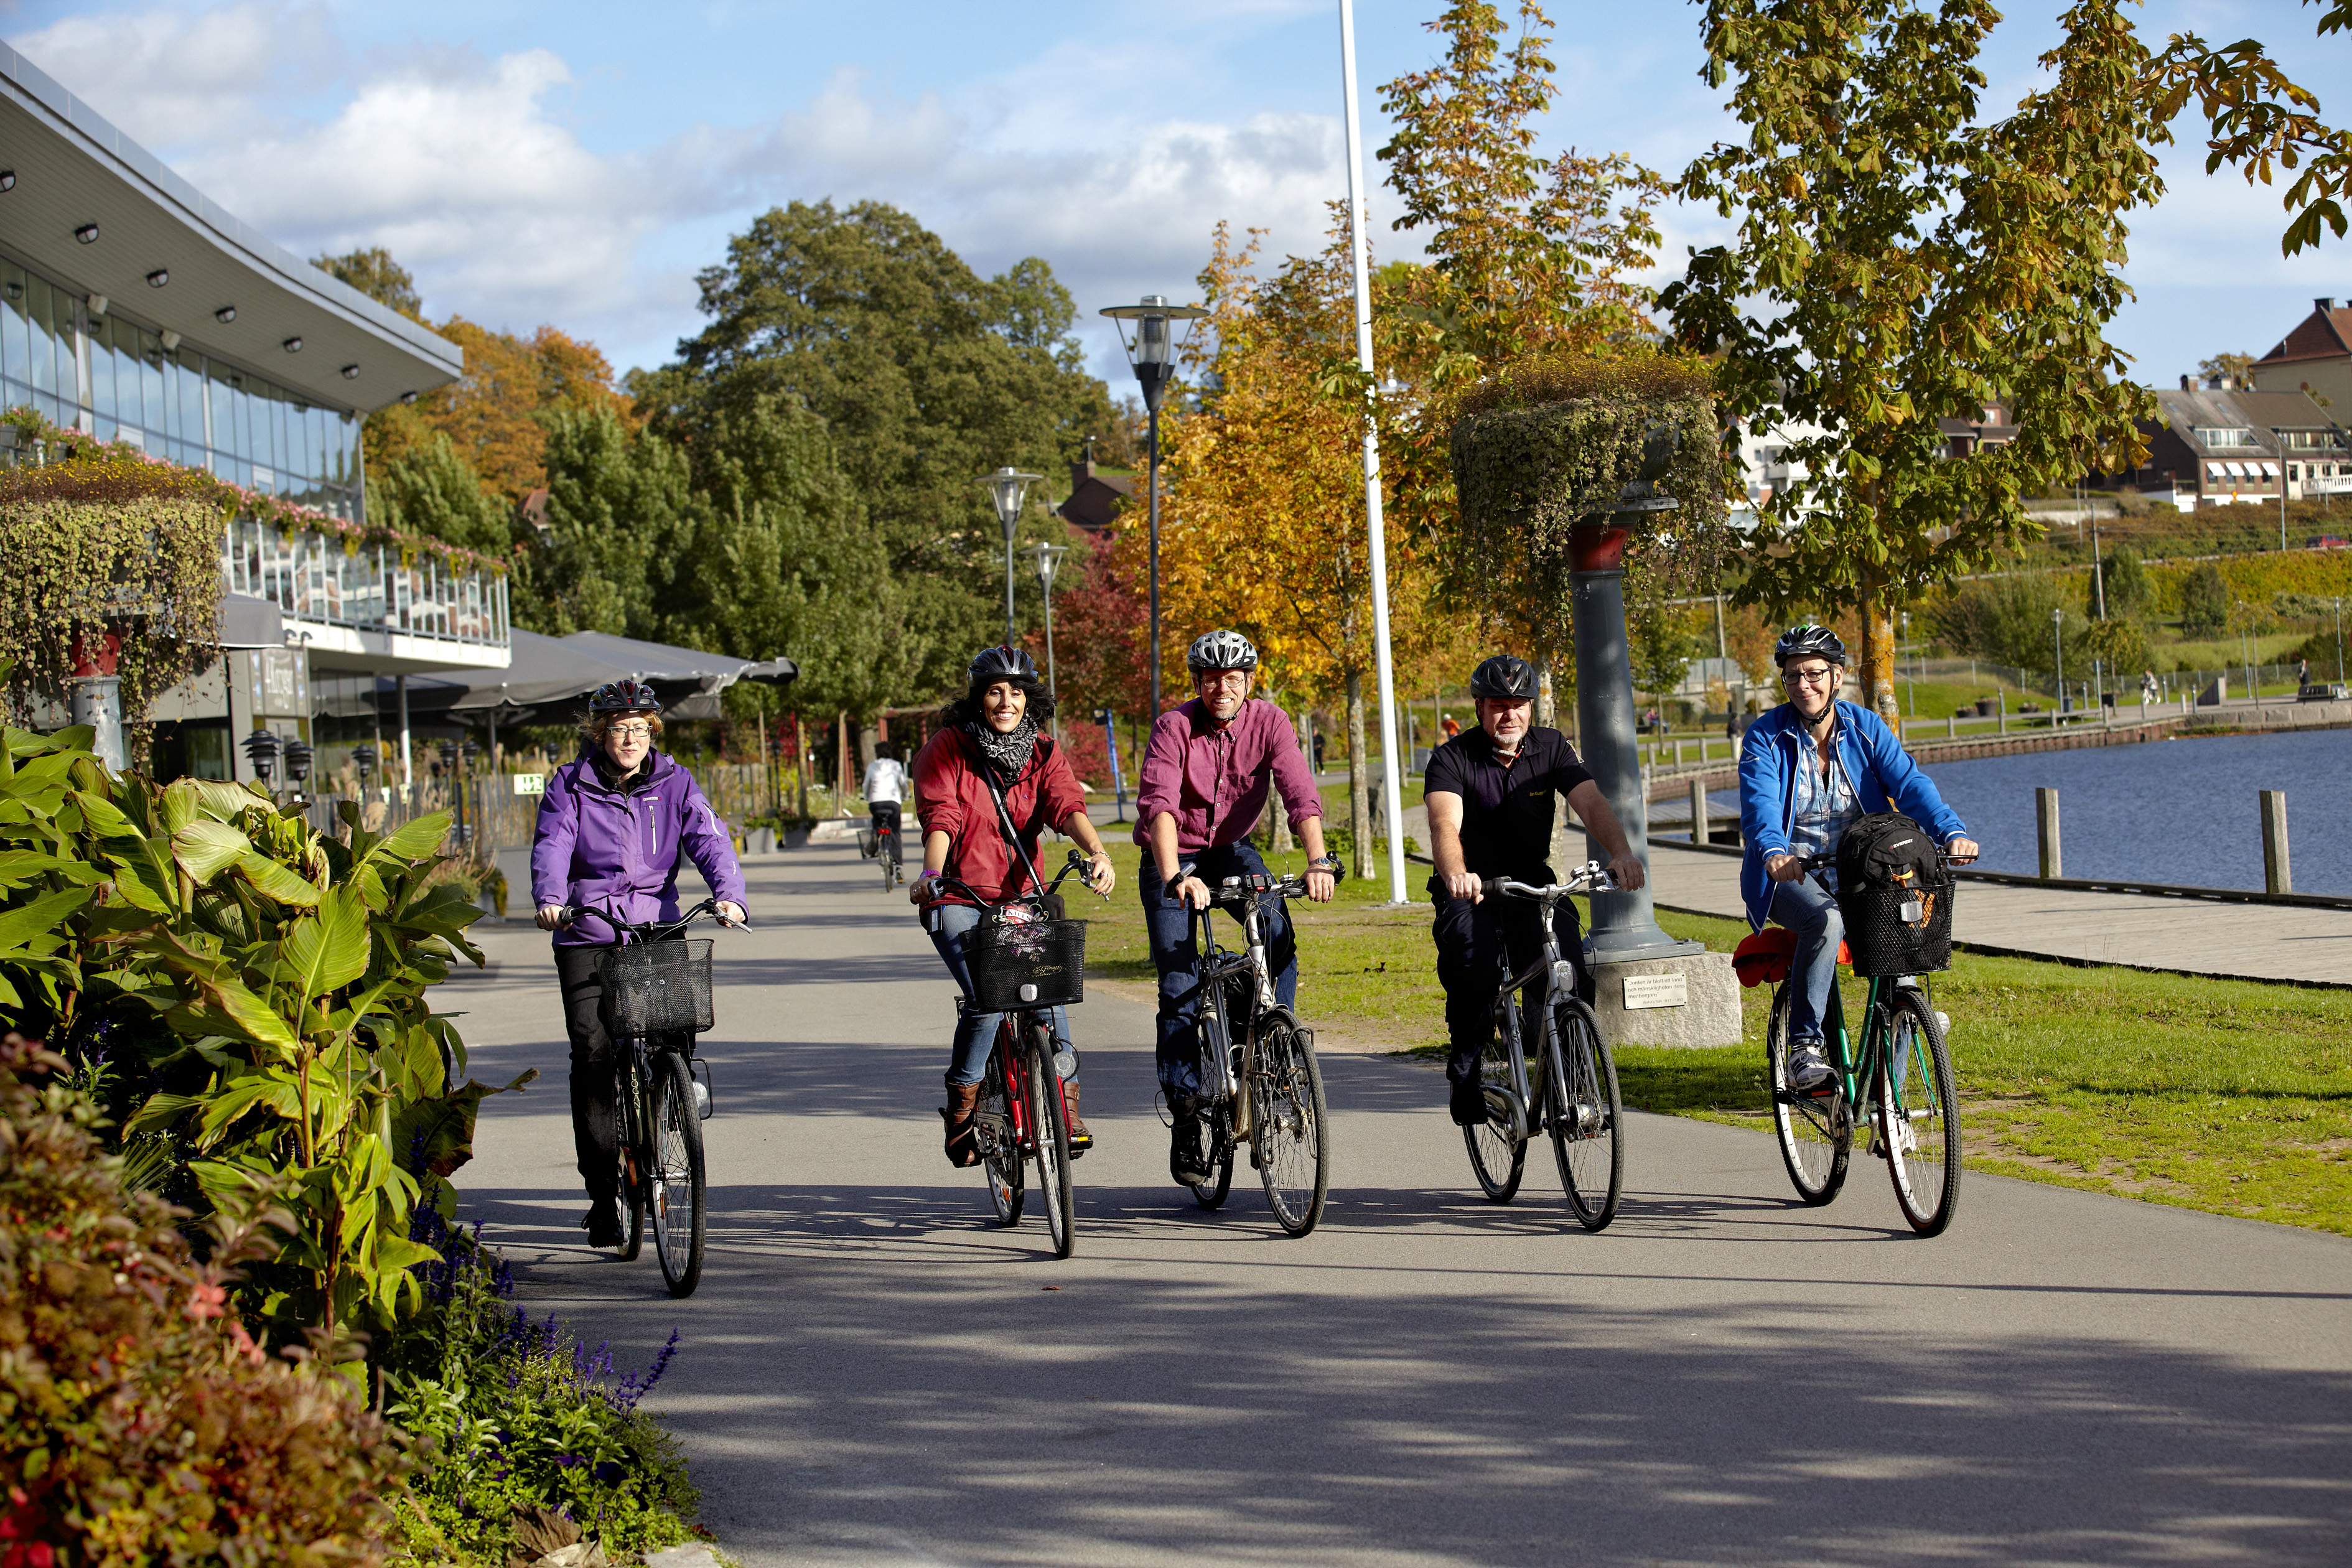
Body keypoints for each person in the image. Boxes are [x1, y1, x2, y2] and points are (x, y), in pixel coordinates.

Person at [532, 681, 747, 1249]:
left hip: (657, 924)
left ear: (653, 731)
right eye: (618, 729)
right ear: (599, 734)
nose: (630, 739)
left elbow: (710, 839)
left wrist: (729, 896)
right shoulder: (569, 784)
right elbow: (553, 843)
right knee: (593, 1055)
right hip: (587, 930)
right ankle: (604, 1195)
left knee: (676, 1029)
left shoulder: (676, 782)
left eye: (640, 728)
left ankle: (670, 1093)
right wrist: (551, 899)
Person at [1737, 626, 1979, 1090]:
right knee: (1825, 920)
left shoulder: (1865, 728)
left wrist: (1950, 831)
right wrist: (1774, 853)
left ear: (1837, 676)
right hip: (1791, 873)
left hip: (1862, 870)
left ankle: (1892, 1090)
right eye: (1793, 676)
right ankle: (1804, 1048)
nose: (1803, 685)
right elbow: (1759, 806)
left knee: (1902, 944)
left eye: (1813, 674)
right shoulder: (1765, 737)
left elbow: (1910, 785)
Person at [1136, 629, 1336, 1187]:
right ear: (1197, 682)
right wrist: (1176, 875)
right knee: (1179, 985)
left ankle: (1275, 1046)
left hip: (1230, 849)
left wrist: (1319, 860)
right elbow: (1160, 805)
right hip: (1171, 854)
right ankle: (1185, 1115)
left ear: (1248, 681)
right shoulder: (1174, 727)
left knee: (1276, 932)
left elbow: (1299, 792)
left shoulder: (1270, 722)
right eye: (1210, 679)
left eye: (1232, 679)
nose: (1221, 688)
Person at [911, 646, 1118, 1167]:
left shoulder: (1044, 751)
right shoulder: (948, 748)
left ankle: (1065, 1108)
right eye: (995, 691)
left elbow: (1066, 805)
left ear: (1030, 700)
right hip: (959, 894)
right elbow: (942, 816)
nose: (1007, 702)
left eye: (1017, 693)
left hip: (1023, 896)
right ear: (978, 698)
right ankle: (963, 1109)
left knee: (1049, 995)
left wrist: (1098, 852)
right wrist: (932, 876)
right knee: (988, 997)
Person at [1424, 655, 1646, 1126]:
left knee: (1570, 968)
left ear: (1532, 707)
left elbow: (1591, 802)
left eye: (1519, 705)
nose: (1510, 715)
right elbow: (1444, 824)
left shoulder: (1552, 747)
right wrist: (1457, 874)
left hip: (1530, 881)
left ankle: (1575, 1082)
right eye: (1499, 705)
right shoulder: (1452, 757)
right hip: (1471, 886)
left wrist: (1622, 853)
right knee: (1474, 970)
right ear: (1480, 707)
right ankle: (1465, 1076)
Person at [862, 742, 908, 862]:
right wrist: (905, 796)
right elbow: (903, 784)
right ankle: (898, 864)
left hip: (876, 802)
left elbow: (866, 785)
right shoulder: (896, 765)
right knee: (895, 832)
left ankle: (874, 840)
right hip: (893, 802)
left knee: (877, 823)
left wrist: (866, 797)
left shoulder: (872, 766)